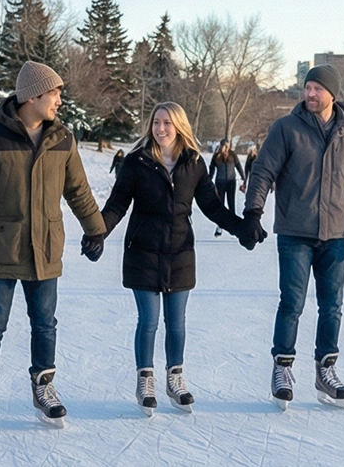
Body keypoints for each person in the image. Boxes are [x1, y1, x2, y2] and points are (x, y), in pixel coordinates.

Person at [0, 61, 106, 429]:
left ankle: (43, 386)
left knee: (45, 324)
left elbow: (78, 189)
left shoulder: (62, 138)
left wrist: (95, 230)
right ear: (32, 97)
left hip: (44, 248)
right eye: (54, 93)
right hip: (1, 246)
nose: (59, 101)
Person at [238, 64, 344, 411]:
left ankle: (325, 370)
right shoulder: (287, 128)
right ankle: (282, 368)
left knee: (332, 306)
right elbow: (263, 171)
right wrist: (253, 212)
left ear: (333, 94)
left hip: (335, 234)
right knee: (292, 303)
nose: (310, 94)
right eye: (308, 87)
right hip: (295, 232)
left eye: (317, 89)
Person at [99, 102, 241, 416]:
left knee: (176, 323)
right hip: (143, 251)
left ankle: (175, 378)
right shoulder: (136, 161)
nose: (160, 129)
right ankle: (145, 380)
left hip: (180, 253)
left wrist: (240, 228)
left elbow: (212, 206)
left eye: (167, 123)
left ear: (179, 126)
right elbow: (117, 204)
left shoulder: (193, 163)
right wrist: (98, 233)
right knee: (149, 321)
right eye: (156, 122)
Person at [208, 138, 245, 237]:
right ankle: (220, 226)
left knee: (231, 203)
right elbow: (211, 169)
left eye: (227, 146)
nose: (225, 148)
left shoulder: (232, 155)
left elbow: (238, 165)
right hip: (220, 182)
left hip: (231, 182)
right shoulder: (216, 156)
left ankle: (233, 226)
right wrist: (208, 180)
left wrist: (243, 177)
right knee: (220, 205)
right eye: (224, 146)